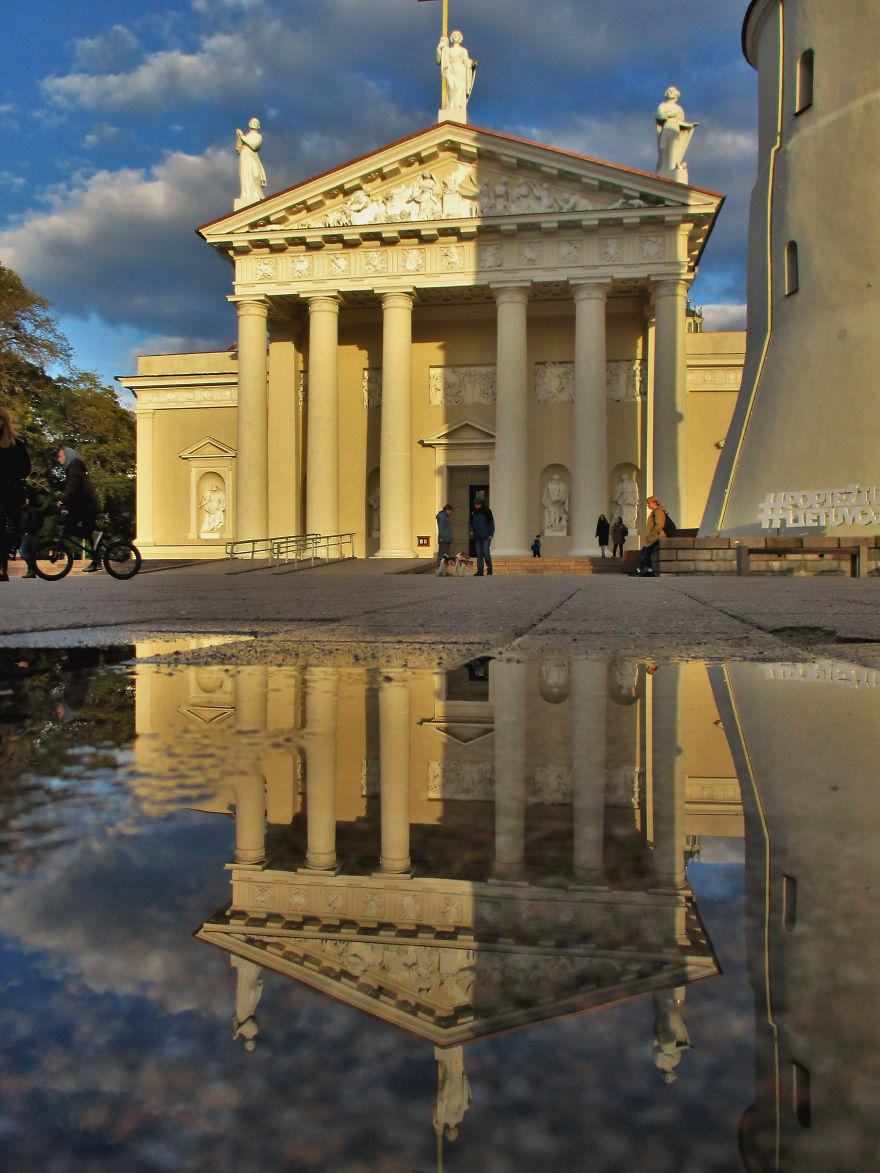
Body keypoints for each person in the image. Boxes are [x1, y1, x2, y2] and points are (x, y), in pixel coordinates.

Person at [57, 447, 102, 572]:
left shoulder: (74, 470)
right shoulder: (73, 469)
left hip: (87, 507)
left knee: (69, 526)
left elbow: (71, 490)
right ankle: (96, 559)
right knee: (90, 533)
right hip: (84, 506)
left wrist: (63, 502)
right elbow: (73, 493)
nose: (59, 459)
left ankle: (96, 555)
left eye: (61, 456)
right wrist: (66, 505)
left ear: (68, 456)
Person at [0, 406, 31, 582]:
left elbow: (25, 469)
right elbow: (26, 469)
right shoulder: (18, 443)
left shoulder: (17, 443)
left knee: (5, 530)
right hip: (12, 491)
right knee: (12, 529)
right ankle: (5, 566)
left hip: (7, 492)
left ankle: (3, 567)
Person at [436, 29, 477, 111]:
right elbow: (439, 61)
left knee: (459, 89)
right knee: (451, 86)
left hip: (460, 70)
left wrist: (471, 63)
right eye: (454, 35)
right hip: (451, 70)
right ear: (451, 38)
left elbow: (466, 61)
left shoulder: (463, 50)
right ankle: (450, 106)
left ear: (460, 38)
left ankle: (457, 107)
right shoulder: (448, 50)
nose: (455, 37)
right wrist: (439, 48)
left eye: (457, 35)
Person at [632, 495, 667, 576]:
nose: (648, 505)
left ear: (654, 503)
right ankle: (649, 570)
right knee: (646, 551)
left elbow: (660, 524)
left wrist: (652, 534)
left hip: (657, 536)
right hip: (655, 536)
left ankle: (641, 569)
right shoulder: (655, 511)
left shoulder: (658, 511)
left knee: (646, 551)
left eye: (649, 503)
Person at [236, 117, 266, 206]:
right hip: (244, 156)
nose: (253, 123)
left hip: (252, 156)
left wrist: (242, 137)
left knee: (255, 174)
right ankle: (246, 195)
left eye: (256, 122)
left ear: (258, 126)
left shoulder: (258, 136)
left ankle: (257, 194)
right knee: (245, 175)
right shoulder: (245, 136)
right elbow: (238, 149)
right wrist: (239, 137)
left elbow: (254, 146)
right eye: (252, 122)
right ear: (249, 124)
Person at [469, 498, 494, 576]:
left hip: (486, 536)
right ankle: (480, 571)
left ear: (481, 504)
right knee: (479, 554)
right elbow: (470, 523)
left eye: (478, 504)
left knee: (486, 552)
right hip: (477, 536)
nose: (477, 506)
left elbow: (491, 523)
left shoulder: (487, 511)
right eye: (476, 504)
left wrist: (491, 534)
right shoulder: (473, 512)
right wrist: (471, 530)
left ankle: (489, 568)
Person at [18, 487, 39, 579]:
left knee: (22, 552)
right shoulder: (21, 510)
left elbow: (35, 523)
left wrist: (29, 531)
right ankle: (31, 571)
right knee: (29, 553)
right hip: (23, 534)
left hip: (29, 534)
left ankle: (34, 569)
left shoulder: (31, 510)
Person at [435, 502, 454, 574]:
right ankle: (439, 570)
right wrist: (442, 537)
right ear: (448, 510)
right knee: (442, 554)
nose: (451, 513)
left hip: (447, 538)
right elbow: (441, 528)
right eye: (450, 511)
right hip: (444, 538)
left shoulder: (445, 516)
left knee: (446, 555)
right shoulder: (442, 516)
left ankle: (445, 570)